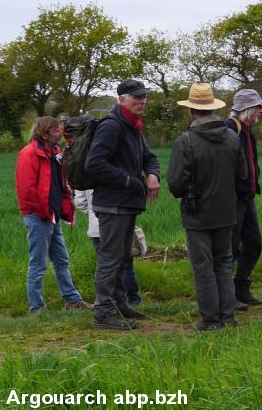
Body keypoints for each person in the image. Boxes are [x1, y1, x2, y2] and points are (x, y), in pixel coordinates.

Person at [167, 83, 246, 331]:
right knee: (223, 264)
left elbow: (176, 184)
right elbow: (242, 174)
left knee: (204, 268)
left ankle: (210, 320)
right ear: (212, 109)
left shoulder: (185, 141)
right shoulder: (233, 137)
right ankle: (228, 317)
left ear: (192, 111)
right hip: (227, 213)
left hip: (197, 215)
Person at [85, 78, 161, 331]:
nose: (143, 101)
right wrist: (129, 181)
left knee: (122, 257)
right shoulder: (112, 125)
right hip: (113, 204)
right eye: (137, 97)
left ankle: (119, 304)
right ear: (122, 100)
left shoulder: (133, 126)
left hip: (127, 203)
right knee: (110, 258)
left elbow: (149, 157)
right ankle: (103, 312)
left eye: (144, 96)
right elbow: (94, 163)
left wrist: (152, 175)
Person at [15, 116, 91, 314]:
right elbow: (26, 190)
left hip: (53, 215)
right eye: (57, 130)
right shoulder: (29, 153)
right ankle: (36, 307)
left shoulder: (56, 152)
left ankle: (72, 300)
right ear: (45, 132)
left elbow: (60, 183)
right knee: (38, 263)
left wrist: (65, 211)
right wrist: (42, 213)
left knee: (62, 259)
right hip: (38, 216)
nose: (61, 133)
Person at [221, 88, 262, 308]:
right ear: (247, 108)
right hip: (234, 199)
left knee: (254, 244)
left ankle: (241, 288)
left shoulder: (246, 129)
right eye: (258, 107)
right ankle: (229, 296)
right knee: (231, 248)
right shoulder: (230, 128)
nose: (261, 112)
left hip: (247, 198)